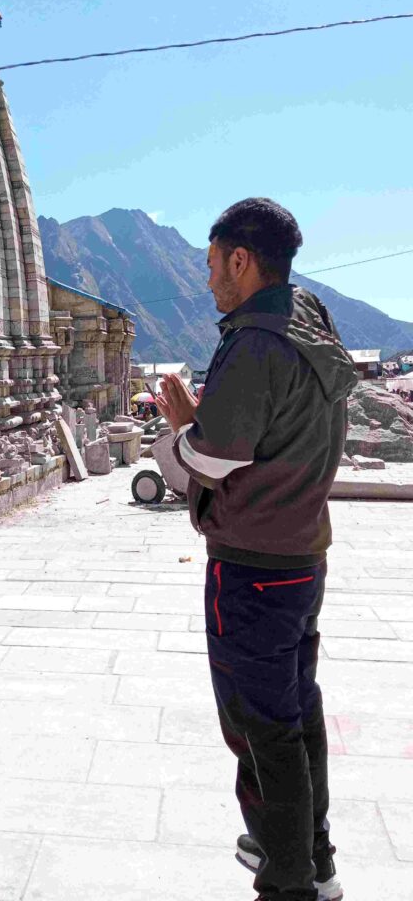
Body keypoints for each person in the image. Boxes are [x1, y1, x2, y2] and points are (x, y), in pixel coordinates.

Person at [155, 198, 357, 901]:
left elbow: (212, 459)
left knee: (260, 727)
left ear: (241, 260)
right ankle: (309, 851)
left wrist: (182, 427)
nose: (209, 282)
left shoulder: (253, 343)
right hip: (303, 556)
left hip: (251, 567)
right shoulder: (310, 318)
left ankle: (289, 881)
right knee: (296, 712)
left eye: (212, 266)